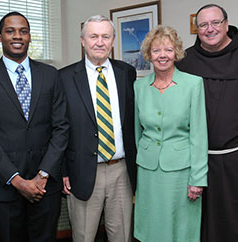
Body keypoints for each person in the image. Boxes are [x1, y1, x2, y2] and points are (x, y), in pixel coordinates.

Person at [175, 4, 238, 242]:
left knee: (237, 224)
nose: (210, 29)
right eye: (203, 25)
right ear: (196, 28)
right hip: (193, 161)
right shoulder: (184, 63)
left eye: (215, 23)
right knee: (196, 223)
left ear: (226, 24)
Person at [0, 11, 68, 242]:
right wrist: (17, 180)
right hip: (4, 186)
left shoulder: (50, 75)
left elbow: (61, 127)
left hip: (45, 186)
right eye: (10, 31)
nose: (17, 36)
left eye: (23, 31)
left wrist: (43, 175)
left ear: (30, 37)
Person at [59, 15, 137, 242]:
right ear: (83, 41)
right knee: (83, 236)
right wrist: (63, 169)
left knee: (122, 236)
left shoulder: (126, 73)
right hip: (82, 170)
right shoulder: (64, 77)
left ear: (113, 41)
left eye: (106, 36)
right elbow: (60, 127)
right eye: (93, 36)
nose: (99, 42)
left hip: (121, 170)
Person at [133, 25, 208, 242]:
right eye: (156, 51)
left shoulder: (193, 84)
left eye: (167, 49)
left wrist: (198, 178)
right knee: (151, 225)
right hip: (148, 171)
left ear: (176, 52)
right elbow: (137, 132)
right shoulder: (139, 87)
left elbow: (199, 135)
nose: (162, 55)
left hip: (181, 172)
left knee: (180, 227)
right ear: (149, 55)